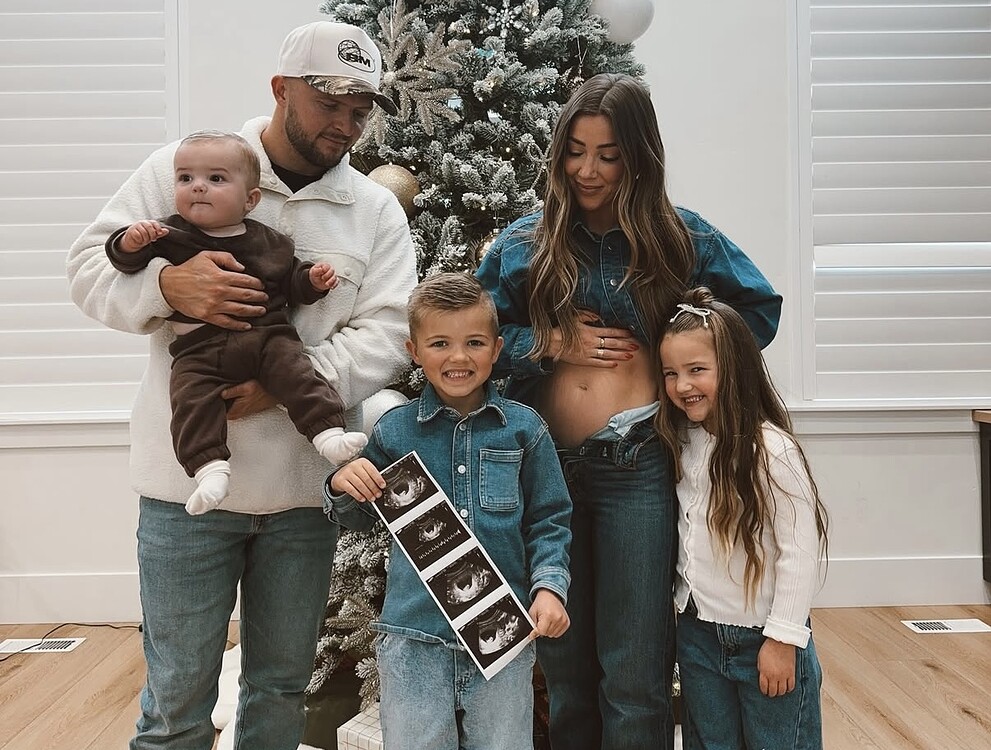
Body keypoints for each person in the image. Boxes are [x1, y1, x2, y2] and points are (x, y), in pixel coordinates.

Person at [66, 20, 416, 750]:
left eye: (360, 110)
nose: (345, 124)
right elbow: (89, 270)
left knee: (280, 693)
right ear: (281, 89)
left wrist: (285, 383)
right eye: (329, 103)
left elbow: (388, 332)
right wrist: (167, 285)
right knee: (175, 704)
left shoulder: (375, 210)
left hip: (301, 497)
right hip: (183, 491)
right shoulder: (185, 166)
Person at [475, 73, 782, 750]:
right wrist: (547, 342)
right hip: (546, 474)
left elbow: (757, 312)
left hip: (637, 469)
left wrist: (679, 346)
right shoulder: (525, 243)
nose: (587, 170)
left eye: (608, 155)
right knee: (565, 670)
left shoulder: (682, 239)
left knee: (636, 674)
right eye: (575, 152)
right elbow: (472, 343)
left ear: (638, 157)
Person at [325, 273, 572, 750]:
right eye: (440, 343)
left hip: (503, 636)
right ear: (414, 351)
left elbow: (549, 520)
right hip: (413, 638)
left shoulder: (525, 430)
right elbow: (358, 518)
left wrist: (549, 588)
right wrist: (342, 484)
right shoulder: (393, 433)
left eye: (474, 342)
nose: (458, 357)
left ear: (497, 349)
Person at [106, 130, 369, 514]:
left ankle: (328, 434)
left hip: (267, 339)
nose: (197, 187)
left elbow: (290, 282)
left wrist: (311, 281)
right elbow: (121, 262)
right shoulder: (167, 234)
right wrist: (130, 243)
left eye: (215, 179)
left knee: (298, 374)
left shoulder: (271, 242)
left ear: (250, 200)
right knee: (191, 399)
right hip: (198, 350)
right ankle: (209, 470)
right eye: (185, 178)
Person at [656, 287, 828, 750]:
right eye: (671, 373)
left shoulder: (771, 451)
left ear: (732, 368)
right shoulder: (682, 442)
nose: (682, 385)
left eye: (696, 370)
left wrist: (783, 639)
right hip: (698, 637)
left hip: (764, 638)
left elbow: (799, 552)